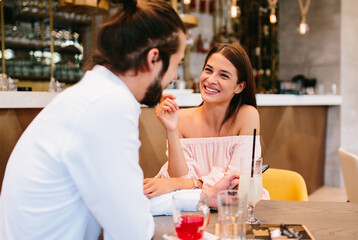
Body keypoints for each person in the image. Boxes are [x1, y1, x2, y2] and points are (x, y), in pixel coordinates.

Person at [0, 0, 187, 239]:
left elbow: (125, 207)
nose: (174, 76)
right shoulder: (108, 106)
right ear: (154, 58)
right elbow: (132, 231)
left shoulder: (96, 95)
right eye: (176, 64)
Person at [144, 43, 268, 200]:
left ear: (239, 87)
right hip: (193, 207)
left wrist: (176, 184)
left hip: (236, 209)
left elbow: (233, 185)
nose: (210, 80)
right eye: (208, 70)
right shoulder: (180, 118)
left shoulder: (247, 116)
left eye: (223, 75)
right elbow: (180, 180)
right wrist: (171, 130)